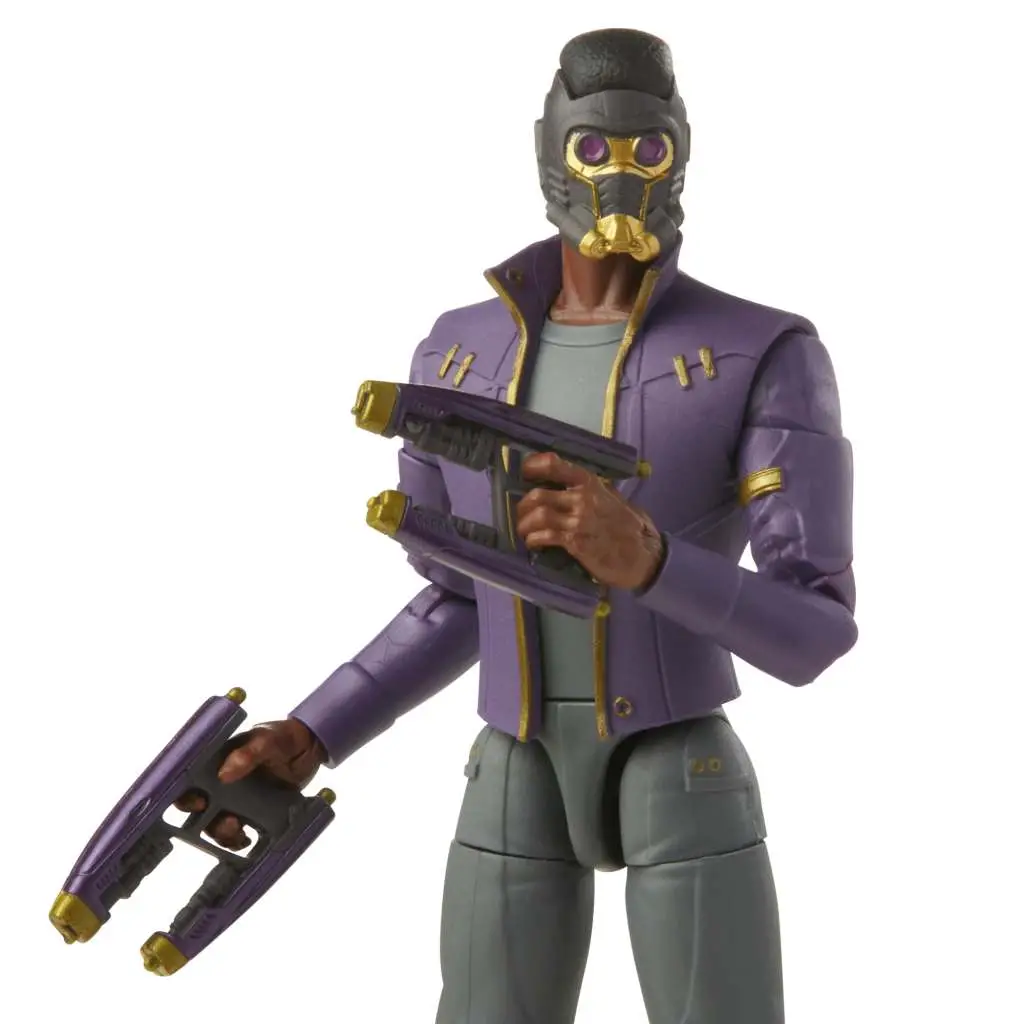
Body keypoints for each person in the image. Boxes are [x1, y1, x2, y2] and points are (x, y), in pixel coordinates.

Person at [179, 27, 857, 1024]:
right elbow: (462, 593)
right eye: (592, 148)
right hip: (515, 761)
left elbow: (815, 630)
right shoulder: (459, 353)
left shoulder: (761, 349)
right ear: (548, 150)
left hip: (678, 757)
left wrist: (651, 561)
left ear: (681, 152)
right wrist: (316, 731)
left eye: (647, 149)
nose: (618, 174)